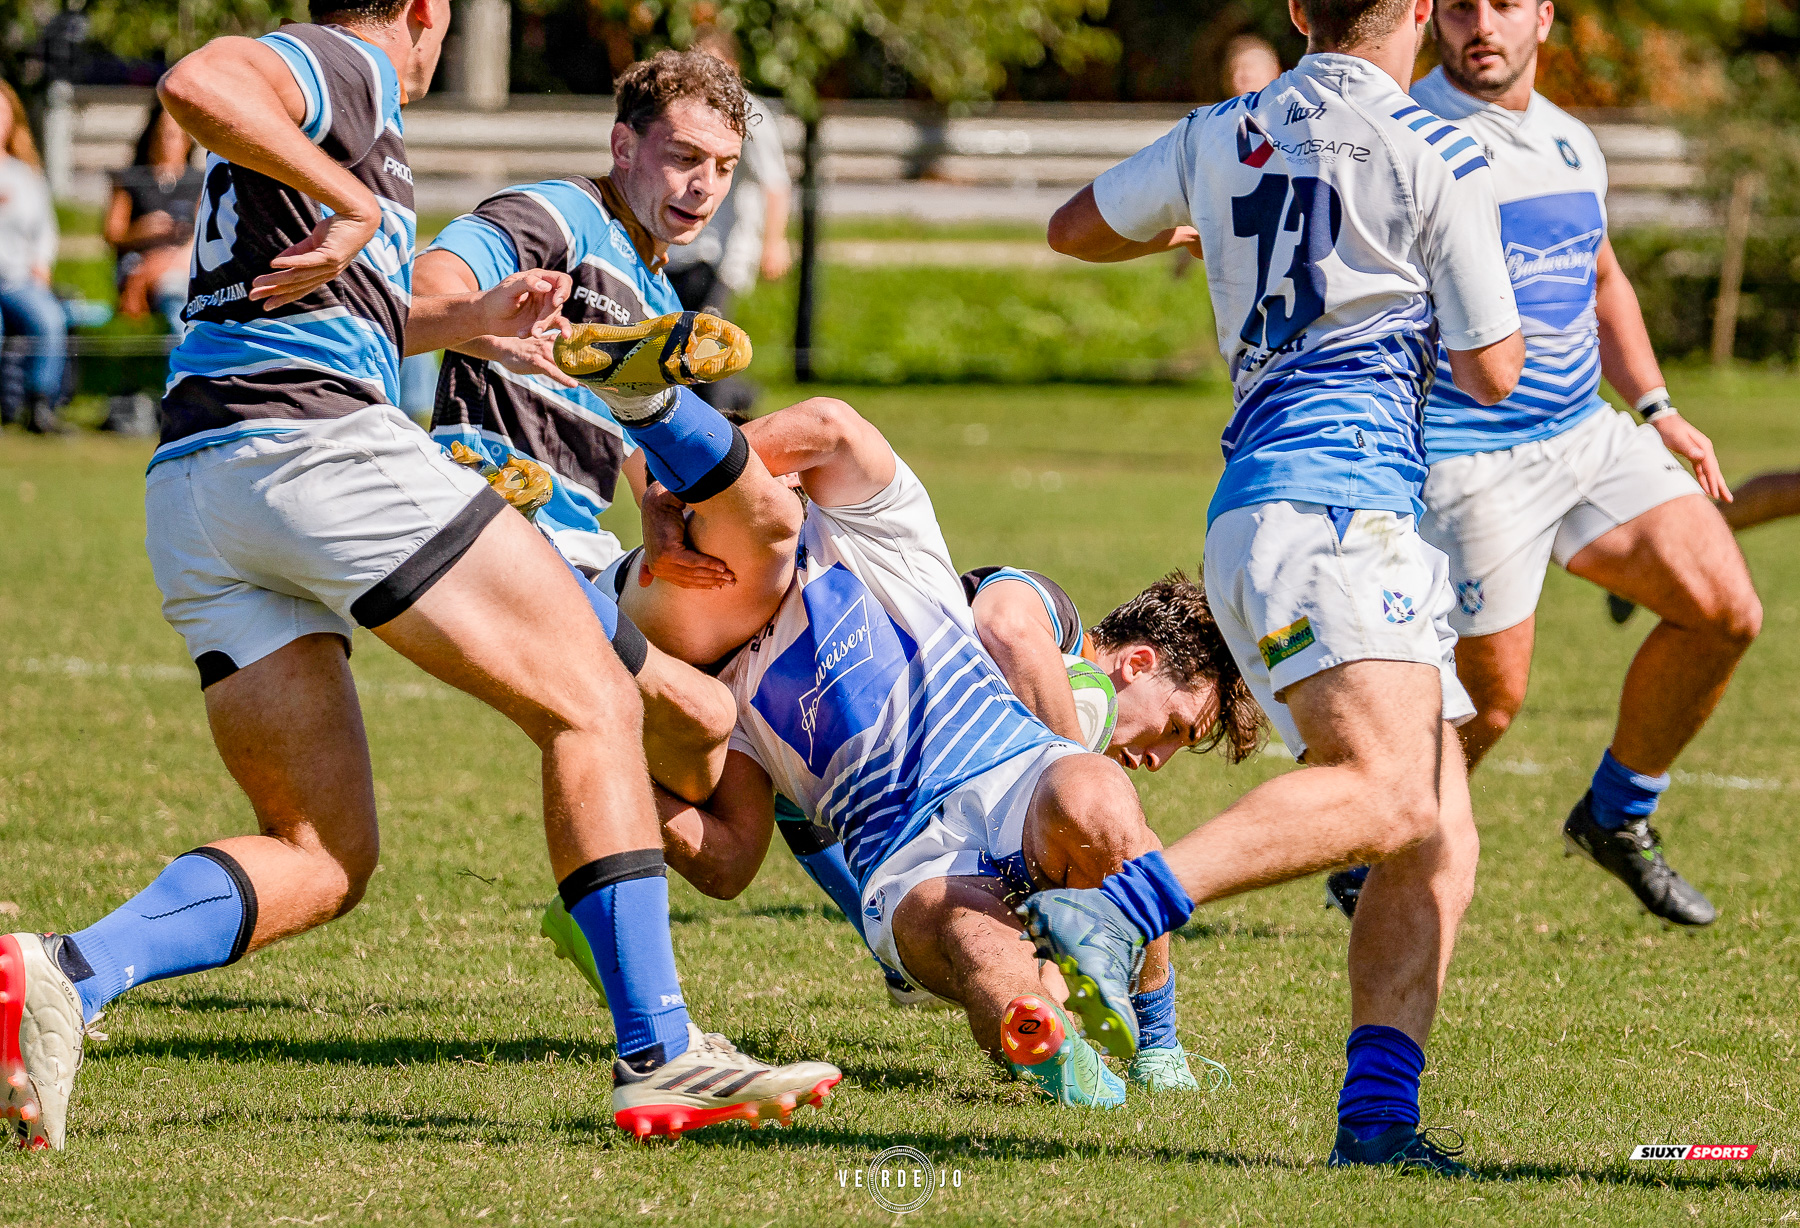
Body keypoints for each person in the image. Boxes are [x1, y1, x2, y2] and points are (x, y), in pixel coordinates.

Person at [1, 1, 835, 1153]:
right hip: (317, 450)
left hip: (201, 485)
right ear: (424, 12)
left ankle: (59, 971)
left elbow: (350, 302)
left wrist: (471, 321)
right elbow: (199, 80)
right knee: (594, 697)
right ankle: (661, 1052)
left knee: (321, 853)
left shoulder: (350, 120)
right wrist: (355, 201)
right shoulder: (343, 65)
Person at [1034, 0, 1525, 1173]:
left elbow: (1072, 227)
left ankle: (1376, 1124)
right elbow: (1496, 371)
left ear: (1301, 11)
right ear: (1416, 7)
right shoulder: (1438, 148)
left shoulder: (1223, 128)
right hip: (1341, 510)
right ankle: (1121, 907)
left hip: (1257, 514)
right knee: (1392, 798)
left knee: (1436, 827)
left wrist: (1202, 231)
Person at [560, 388, 1195, 1104]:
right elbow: (732, 858)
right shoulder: (722, 692)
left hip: (1014, 772)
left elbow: (828, 425)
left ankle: (1158, 1039)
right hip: (905, 863)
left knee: (1093, 790)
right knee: (973, 942)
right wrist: (612, 775)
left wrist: (674, 494)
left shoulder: (869, 526)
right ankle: (1046, 1043)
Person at [1374, 0, 1759, 927]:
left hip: (1587, 433)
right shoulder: (1406, 135)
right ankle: (1376, 835)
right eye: (1460, 6)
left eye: (1504, 4)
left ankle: (1616, 816)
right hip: (1467, 458)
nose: (1482, 25)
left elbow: (1600, 276)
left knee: (1724, 612)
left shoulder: (1572, 141)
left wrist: (1657, 406)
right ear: (1432, 19)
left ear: (1545, 16)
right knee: (1491, 707)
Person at [415, 50, 761, 805]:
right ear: (623, 147)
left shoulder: (657, 295)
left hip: (582, 546)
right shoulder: (560, 214)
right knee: (699, 716)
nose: (705, 186)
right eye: (684, 158)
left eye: (725, 166)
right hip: (497, 528)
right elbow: (427, 283)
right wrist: (488, 327)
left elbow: (639, 449)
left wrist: (660, 509)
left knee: (738, 758)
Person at [662, 26, 791, 415]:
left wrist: (774, 242)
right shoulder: (684, 113)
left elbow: (775, 183)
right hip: (678, 254)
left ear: (733, 68)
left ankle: (729, 449)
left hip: (719, 255)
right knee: (675, 353)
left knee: (706, 352)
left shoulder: (750, 115)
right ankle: (740, 397)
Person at [0, 80, 69, 435]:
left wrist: (40, 267)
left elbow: (45, 231)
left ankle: (40, 404)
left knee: (49, 318)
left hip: (16, 280)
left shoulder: (25, 175)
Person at [104, 101, 205, 334]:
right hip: (136, 263)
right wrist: (142, 230)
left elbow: (202, 236)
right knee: (174, 295)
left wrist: (163, 262)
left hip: (180, 262)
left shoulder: (198, 181)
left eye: (172, 135)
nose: (164, 142)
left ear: (186, 140)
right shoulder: (131, 178)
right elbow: (112, 234)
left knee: (175, 291)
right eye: (159, 134)